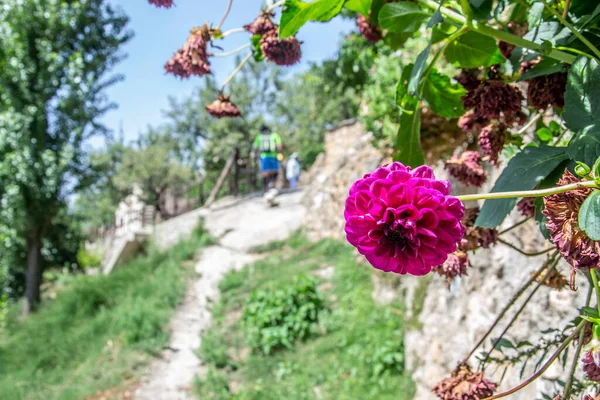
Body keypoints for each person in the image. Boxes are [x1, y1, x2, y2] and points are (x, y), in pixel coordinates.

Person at [252, 125, 283, 191]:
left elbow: (255, 147)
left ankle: (266, 187)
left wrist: (254, 154)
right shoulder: (274, 135)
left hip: (264, 156)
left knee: (265, 171)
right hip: (274, 155)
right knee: (275, 170)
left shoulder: (259, 137)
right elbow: (279, 145)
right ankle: (273, 185)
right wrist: (280, 153)